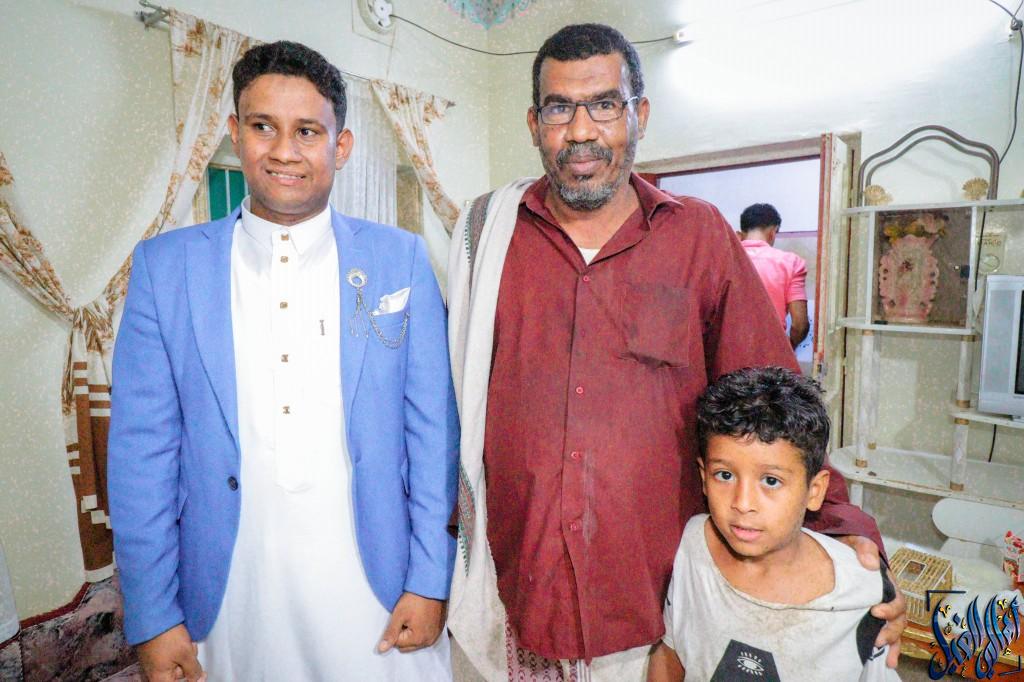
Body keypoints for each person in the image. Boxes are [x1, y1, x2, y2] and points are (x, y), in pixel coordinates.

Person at [445, 23, 906, 681]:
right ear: (533, 123)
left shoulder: (697, 236)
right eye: (559, 108)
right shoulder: (490, 235)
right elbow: (451, 404)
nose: (581, 130)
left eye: (605, 105)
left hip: (659, 606)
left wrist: (842, 527)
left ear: (640, 115)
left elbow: (773, 399)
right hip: (518, 588)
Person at [108, 41, 458, 681]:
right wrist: (153, 616)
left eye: (307, 131)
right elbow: (141, 454)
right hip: (232, 589)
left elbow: (434, 435)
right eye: (263, 126)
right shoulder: (166, 268)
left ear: (341, 146)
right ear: (235, 132)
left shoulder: (399, 259)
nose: (284, 151)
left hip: (375, 585)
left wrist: (430, 580)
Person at [649, 367, 900, 682]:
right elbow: (670, 653)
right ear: (703, 477)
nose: (742, 503)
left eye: (770, 481)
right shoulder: (692, 545)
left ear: (815, 491)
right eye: (724, 475)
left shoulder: (860, 590)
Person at [739, 203, 810, 349]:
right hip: (772, 352)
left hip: (727, 354)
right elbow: (800, 325)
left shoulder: (721, 261)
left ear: (740, 234)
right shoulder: (791, 263)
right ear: (773, 232)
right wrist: (787, 348)